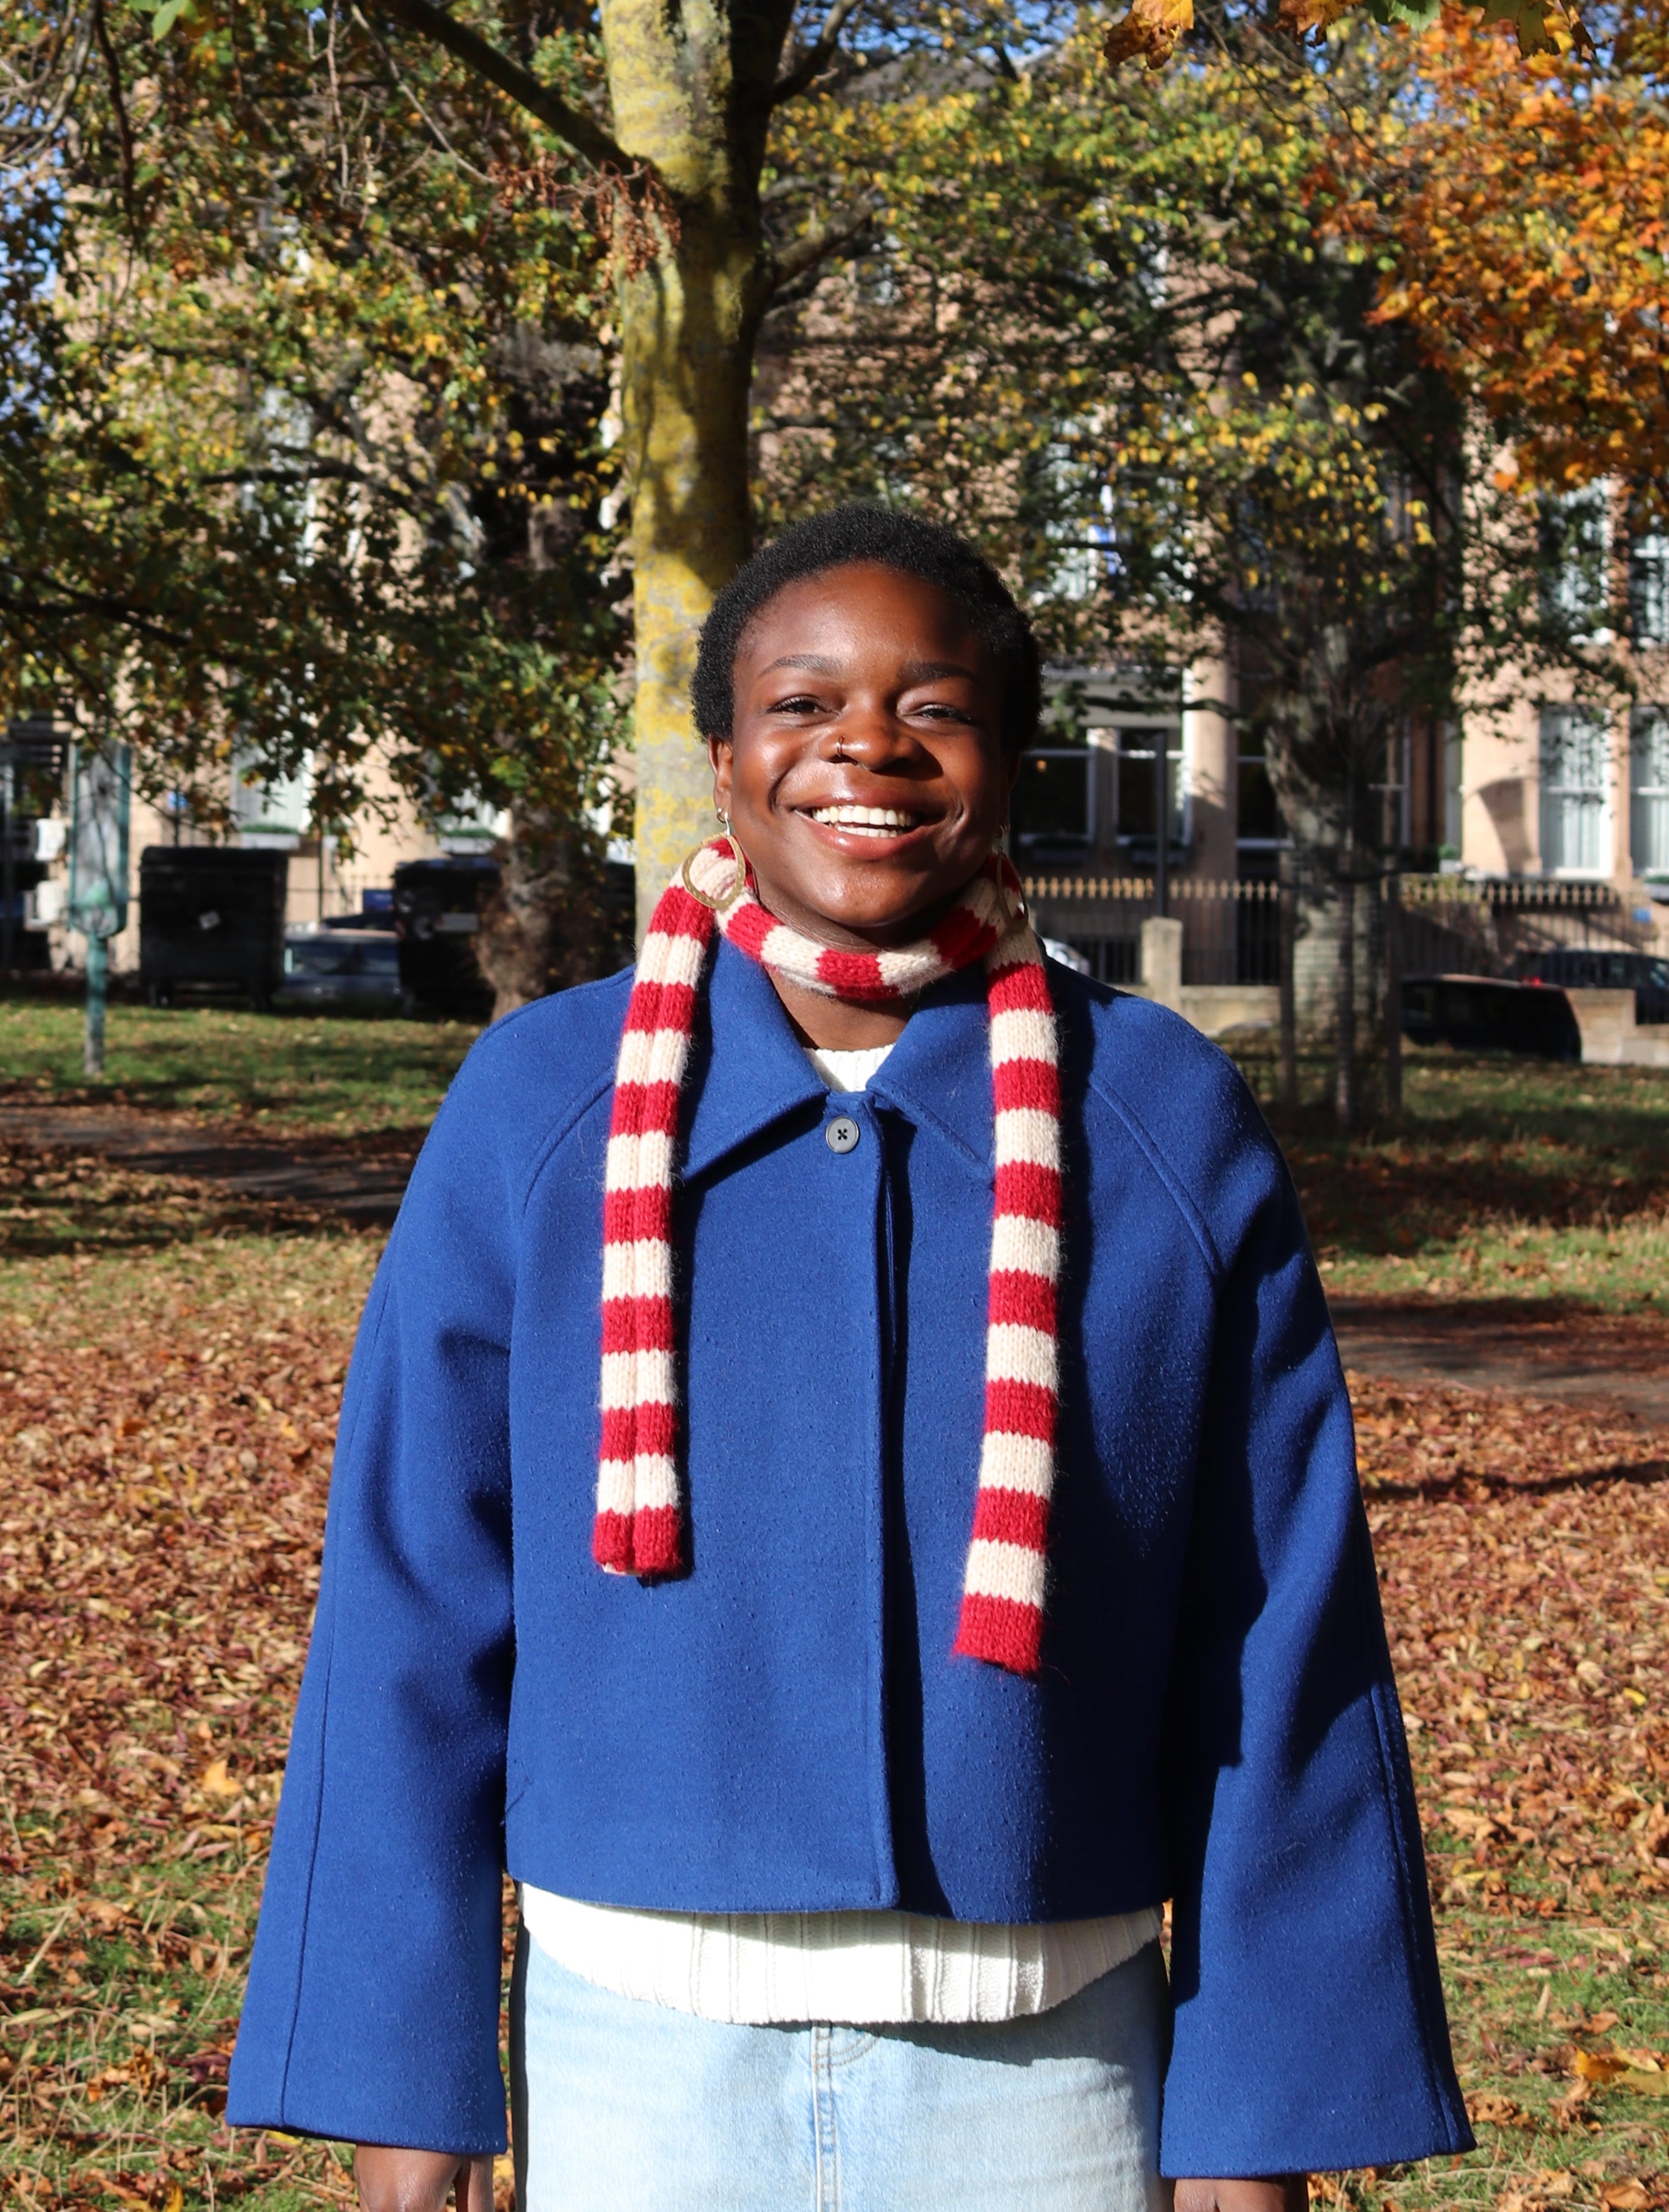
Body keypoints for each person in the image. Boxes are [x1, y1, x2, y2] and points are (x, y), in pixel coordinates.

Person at [226, 503, 1468, 2210]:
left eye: (933, 706)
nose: (864, 747)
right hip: (636, 2051)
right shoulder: (543, 1110)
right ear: (725, 755)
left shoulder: (1162, 1118)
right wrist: (402, 2086)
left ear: (1012, 760)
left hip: (1049, 2062)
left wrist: (1259, 2127)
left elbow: (1280, 1640)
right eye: (802, 704)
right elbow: (413, 1609)